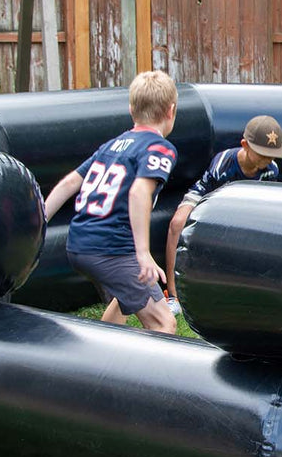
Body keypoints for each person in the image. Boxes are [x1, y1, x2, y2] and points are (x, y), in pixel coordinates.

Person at [42, 71, 179, 333]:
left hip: (79, 244)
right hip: (111, 249)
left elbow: (69, 183)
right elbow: (138, 193)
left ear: (131, 110)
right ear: (171, 111)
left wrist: (39, 224)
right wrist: (142, 253)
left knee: (125, 296)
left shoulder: (112, 145)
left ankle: (100, 354)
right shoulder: (159, 148)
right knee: (164, 322)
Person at [163, 115, 282, 312]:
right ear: (245, 145)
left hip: (243, 208)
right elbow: (212, 205)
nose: (267, 160)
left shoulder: (271, 171)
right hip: (207, 199)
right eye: (262, 154)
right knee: (177, 223)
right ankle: (173, 296)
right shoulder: (224, 164)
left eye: (271, 155)